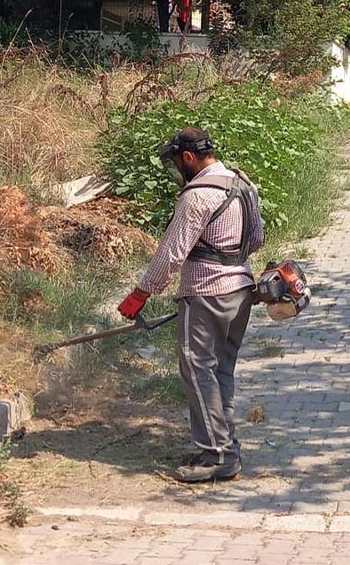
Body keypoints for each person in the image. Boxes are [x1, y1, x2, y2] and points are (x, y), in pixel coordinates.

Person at [117, 127, 265, 484]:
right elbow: (257, 239)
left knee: (198, 371)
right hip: (241, 291)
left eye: (177, 163)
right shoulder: (243, 184)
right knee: (219, 372)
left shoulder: (196, 196)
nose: (177, 171)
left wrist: (141, 293)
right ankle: (224, 446)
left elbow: (171, 254)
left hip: (205, 293)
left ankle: (218, 456)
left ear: (188, 157)